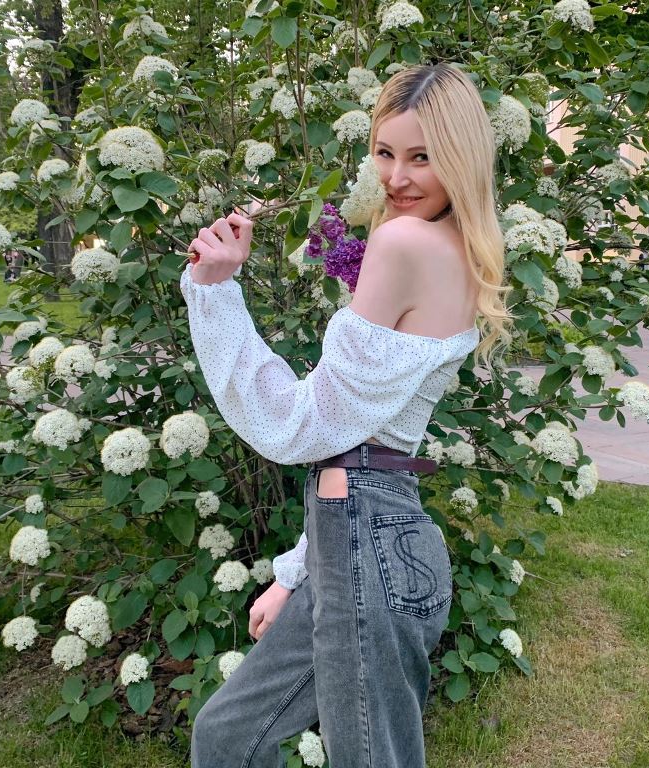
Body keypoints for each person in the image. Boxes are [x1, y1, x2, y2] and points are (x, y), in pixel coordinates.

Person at [179, 63, 511, 768]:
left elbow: (307, 426)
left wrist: (214, 292)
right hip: (368, 531)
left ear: (462, 158)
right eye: (385, 153)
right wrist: (298, 572)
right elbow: (363, 445)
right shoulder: (456, 248)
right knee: (226, 736)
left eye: (422, 157)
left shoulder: (403, 244)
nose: (397, 177)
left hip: (367, 541)